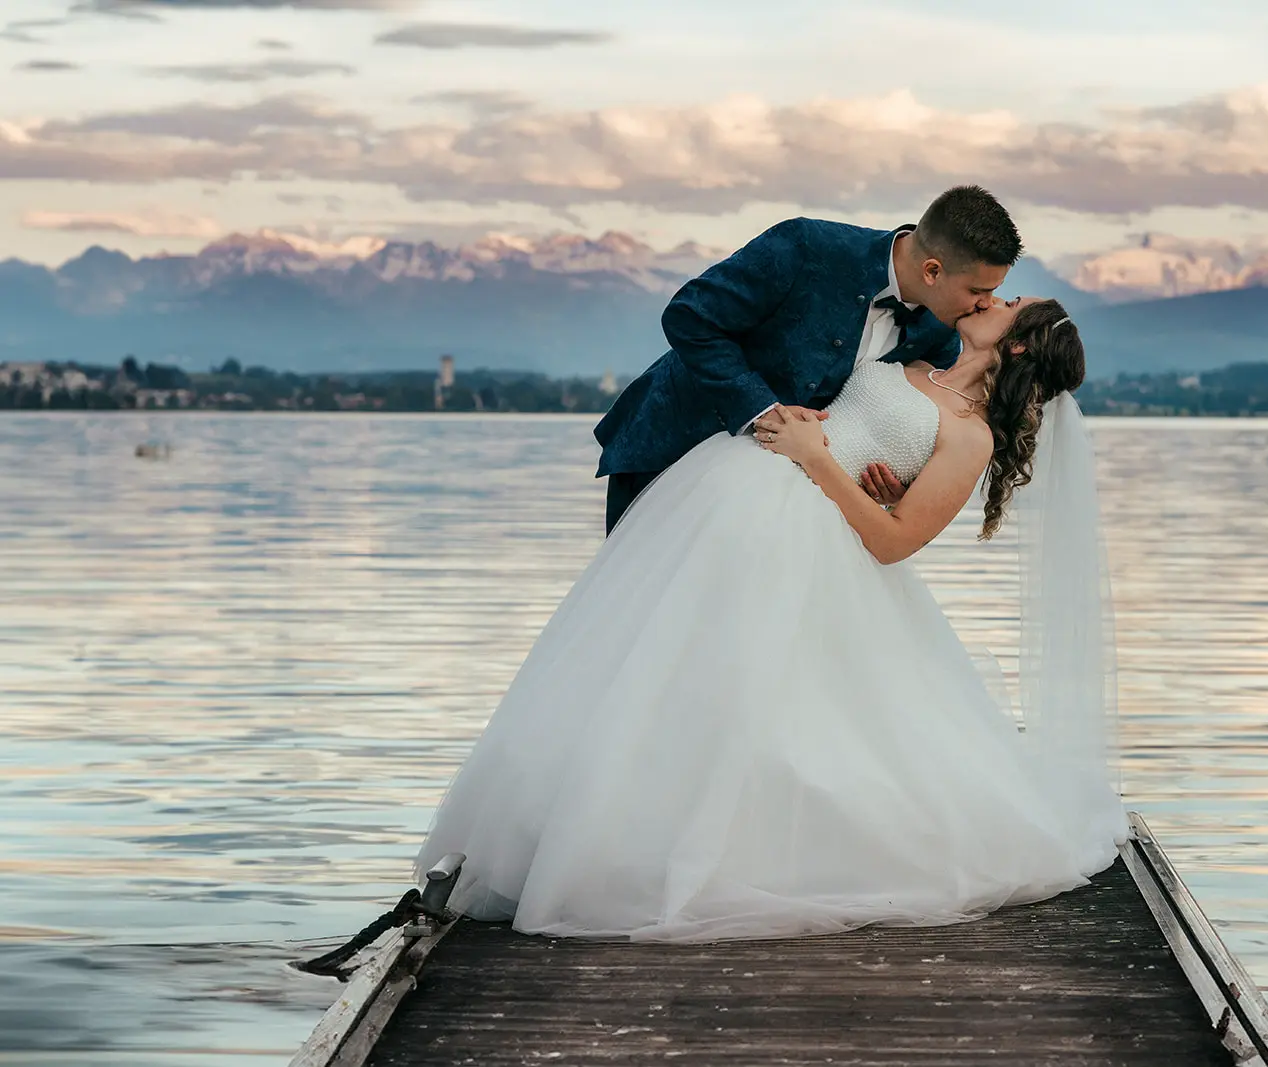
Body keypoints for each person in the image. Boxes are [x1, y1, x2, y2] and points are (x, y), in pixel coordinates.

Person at [413, 289, 1126, 943]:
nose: (989, 297)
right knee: (661, 676)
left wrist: (823, 463)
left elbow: (894, 541)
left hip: (807, 543)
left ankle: (724, 853)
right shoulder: (915, 355)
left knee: (762, 702)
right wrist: (845, 467)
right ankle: (604, 833)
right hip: (730, 494)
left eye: (1009, 302)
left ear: (1022, 346)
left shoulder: (971, 436)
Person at [593, 185, 1020, 533]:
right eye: (977, 291)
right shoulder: (805, 246)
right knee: (639, 619)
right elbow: (689, 316)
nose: (986, 304)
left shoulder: (942, 325)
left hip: (775, 510)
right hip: (671, 451)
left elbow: (920, 422)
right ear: (932, 270)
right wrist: (761, 409)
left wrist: (899, 487)